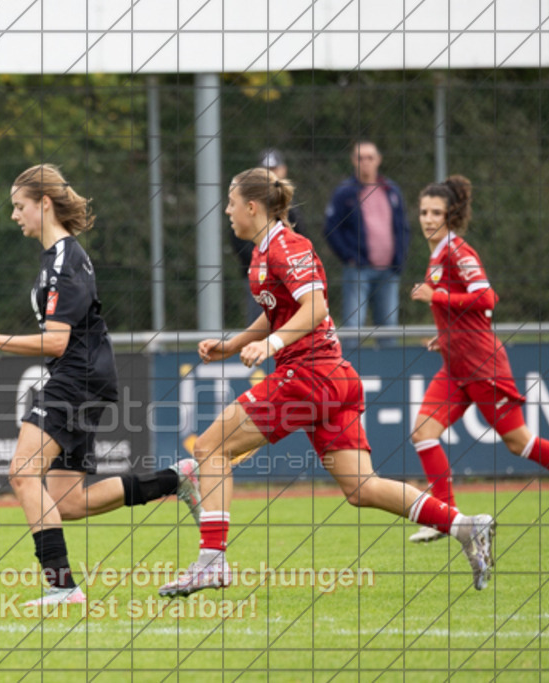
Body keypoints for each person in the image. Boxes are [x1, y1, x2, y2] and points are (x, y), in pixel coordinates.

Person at [157, 167, 496, 597]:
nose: (226, 211)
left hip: (310, 375)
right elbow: (280, 309)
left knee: (209, 448)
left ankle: (212, 562)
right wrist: (235, 344)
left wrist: (272, 344)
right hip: (329, 379)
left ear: (252, 206)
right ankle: (465, 526)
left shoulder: (288, 245)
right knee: (361, 488)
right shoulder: (263, 251)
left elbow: (314, 307)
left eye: (230, 202)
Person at [0, 164, 202, 606]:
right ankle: (176, 479)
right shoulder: (55, 259)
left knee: (22, 474)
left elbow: (58, 341)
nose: (14, 215)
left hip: (76, 379)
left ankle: (61, 587)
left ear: (44, 204)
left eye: (19, 206)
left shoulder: (66, 259)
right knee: (66, 503)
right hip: (84, 379)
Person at [406, 175, 549, 543]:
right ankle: (445, 517)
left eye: (436, 213)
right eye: (424, 212)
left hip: (482, 366)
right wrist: (445, 338)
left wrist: (437, 297)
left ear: (452, 215)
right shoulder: (437, 254)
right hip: (456, 365)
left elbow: (487, 299)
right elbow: (462, 310)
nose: (428, 219)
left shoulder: (458, 252)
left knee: (519, 442)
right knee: (422, 433)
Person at [324, 140, 410, 347]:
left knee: (389, 325)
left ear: (378, 160)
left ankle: (392, 372)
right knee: (354, 325)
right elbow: (331, 229)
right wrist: (350, 257)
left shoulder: (391, 190)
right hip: (358, 270)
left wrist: (399, 259)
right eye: (361, 158)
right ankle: (348, 375)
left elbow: (403, 227)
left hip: (388, 270)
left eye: (370, 158)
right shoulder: (345, 192)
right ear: (354, 161)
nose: (365, 163)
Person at [231, 149, 304, 323]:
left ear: (283, 170)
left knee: (289, 322)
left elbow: (300, 238)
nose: (271, 174)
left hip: (288, 278)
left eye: (274, 169)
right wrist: (264, 262)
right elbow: (239, 240)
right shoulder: (248, 205)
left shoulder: (290, 208)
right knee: (262, 323)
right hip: (260, 276)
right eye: (266, 170)